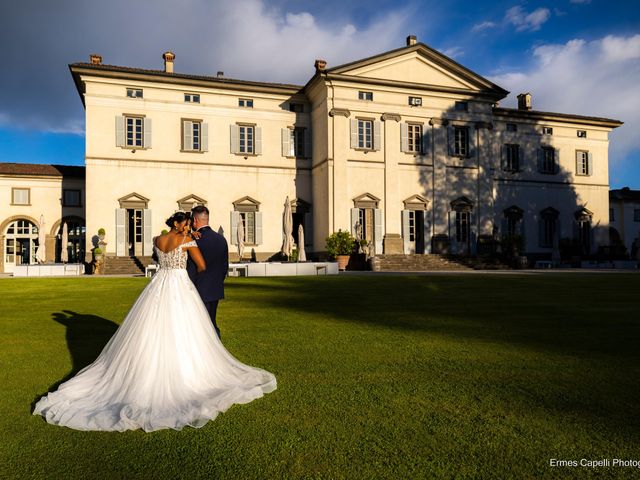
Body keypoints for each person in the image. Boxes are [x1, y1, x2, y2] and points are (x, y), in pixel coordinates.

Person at [32, 211, 276, 432]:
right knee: (186, 329)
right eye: (187, 223)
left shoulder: (158, 241)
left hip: (159, 285)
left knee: (151, 328)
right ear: (181, 224)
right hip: (180, 286)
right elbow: (201, 265)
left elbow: (160, 259)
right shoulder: (187, 241)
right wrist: (189, 253)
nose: (189, 226)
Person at [187, 205, 228, 338]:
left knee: (199, 325)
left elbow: (191, 268)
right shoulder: (221, 239)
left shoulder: (193, 240)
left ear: (195, 220)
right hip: (215, 288)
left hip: (197, 288)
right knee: (211, 321)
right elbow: (224, 267)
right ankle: (217, 348)